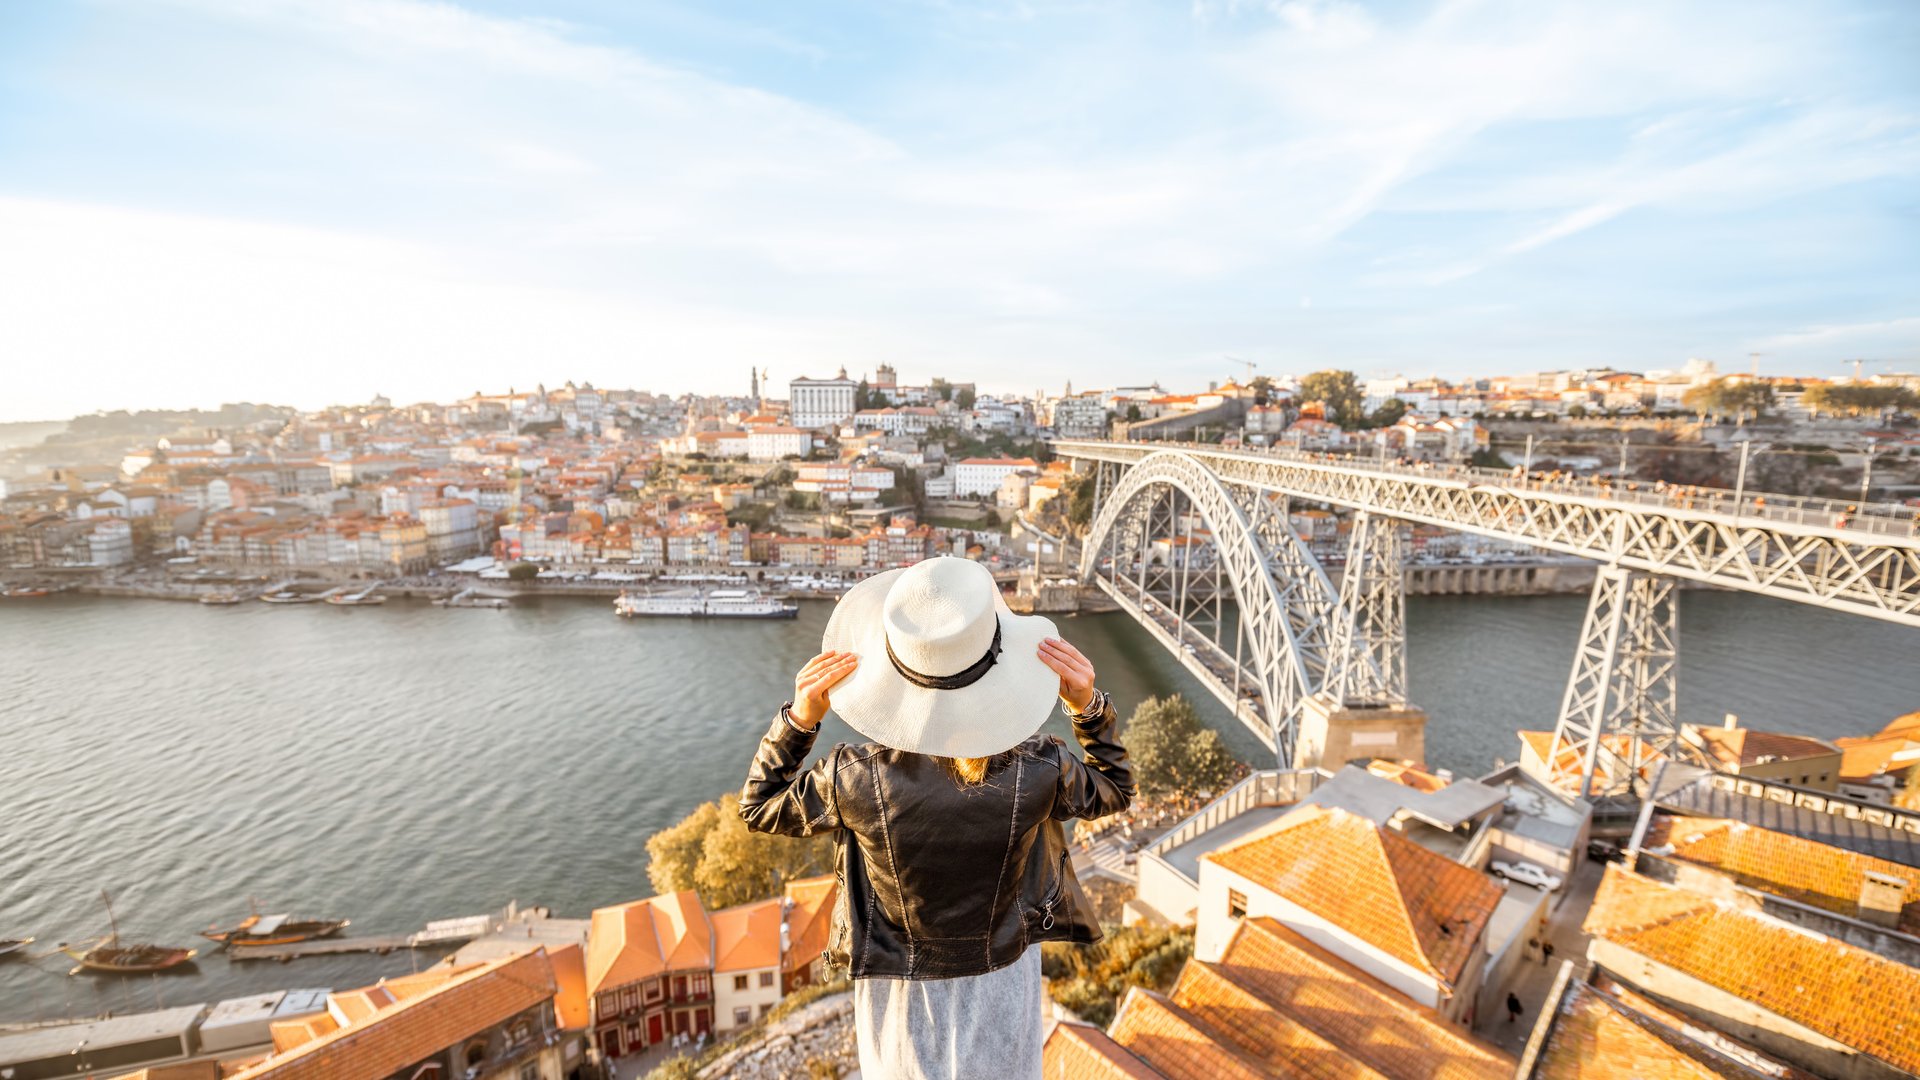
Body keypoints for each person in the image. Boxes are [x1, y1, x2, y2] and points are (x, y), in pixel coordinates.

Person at [740, 557, 1133, 1080]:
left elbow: (760, 805)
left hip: (899, 993)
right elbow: (1116, 789)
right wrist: (1088, 707)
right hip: (1002, 980)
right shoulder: (1039, 768)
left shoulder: (854, 778)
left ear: (895, 661)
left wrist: (799, 720)